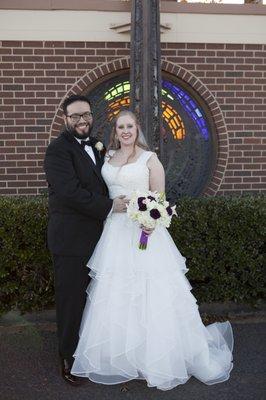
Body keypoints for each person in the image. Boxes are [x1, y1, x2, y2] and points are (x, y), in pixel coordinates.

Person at [71, 109, 234, 391]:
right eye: (121, 126)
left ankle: (157, 357)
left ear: (137, 130)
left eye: (130, 126)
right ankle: (122, 356)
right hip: (114, 234)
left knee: (151, 293)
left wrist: (149, 223)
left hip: (143, 235)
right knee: (117, 293)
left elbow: (159, 200)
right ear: (115, 131)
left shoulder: (150, 159)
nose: (125, 131)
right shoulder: (107, 158)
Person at [43, 95, 129, 385]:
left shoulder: (97, 146)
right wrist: (110, 206)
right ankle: (67, 357)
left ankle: (96, 351)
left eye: (86, 115)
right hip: (70, 239)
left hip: (102, 237)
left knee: (99, 299)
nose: (82, 121)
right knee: (71, 300)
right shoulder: (57, 151)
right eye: (75, 116)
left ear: (93, 116)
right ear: (65, 119)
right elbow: (69, 192)